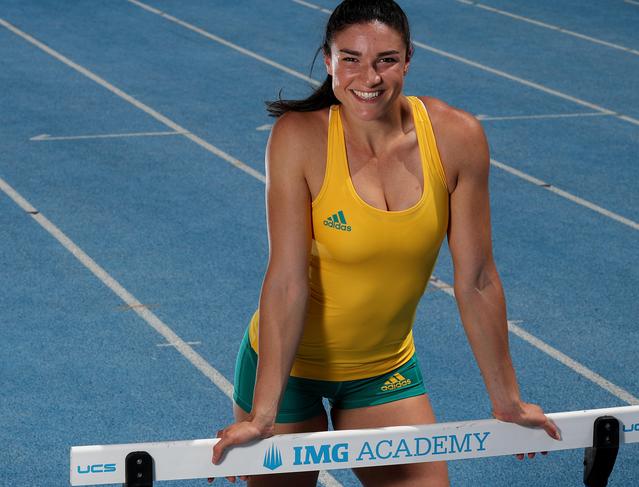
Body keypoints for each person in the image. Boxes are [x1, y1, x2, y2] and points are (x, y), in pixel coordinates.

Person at [211, 0, 560, 485]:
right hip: (285, 369)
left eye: (386, 60)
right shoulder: (299, 139)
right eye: (350, 58)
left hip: (383, 371)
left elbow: (477, 279)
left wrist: (508, 401)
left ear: (409, 58)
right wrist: (262, 413)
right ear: (329, 61)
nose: (368, 77)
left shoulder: (457, 137)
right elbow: (287, 281)